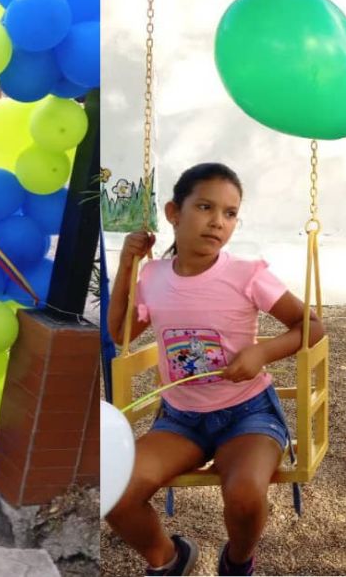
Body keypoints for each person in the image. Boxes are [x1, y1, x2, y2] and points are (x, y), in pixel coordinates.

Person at [105, 163, 325, 577]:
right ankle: (169, 559)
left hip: (248, 414)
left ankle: (237, 562)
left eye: (230, 213)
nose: (218, 222)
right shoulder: (153, 276)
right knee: (115, 492)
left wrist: (262, 352)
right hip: (181, 420)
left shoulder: (247, 274)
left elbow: (311, 326)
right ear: (173, 212)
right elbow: (121, 333)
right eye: (205, 207)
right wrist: (127, 266)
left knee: (244, 493)